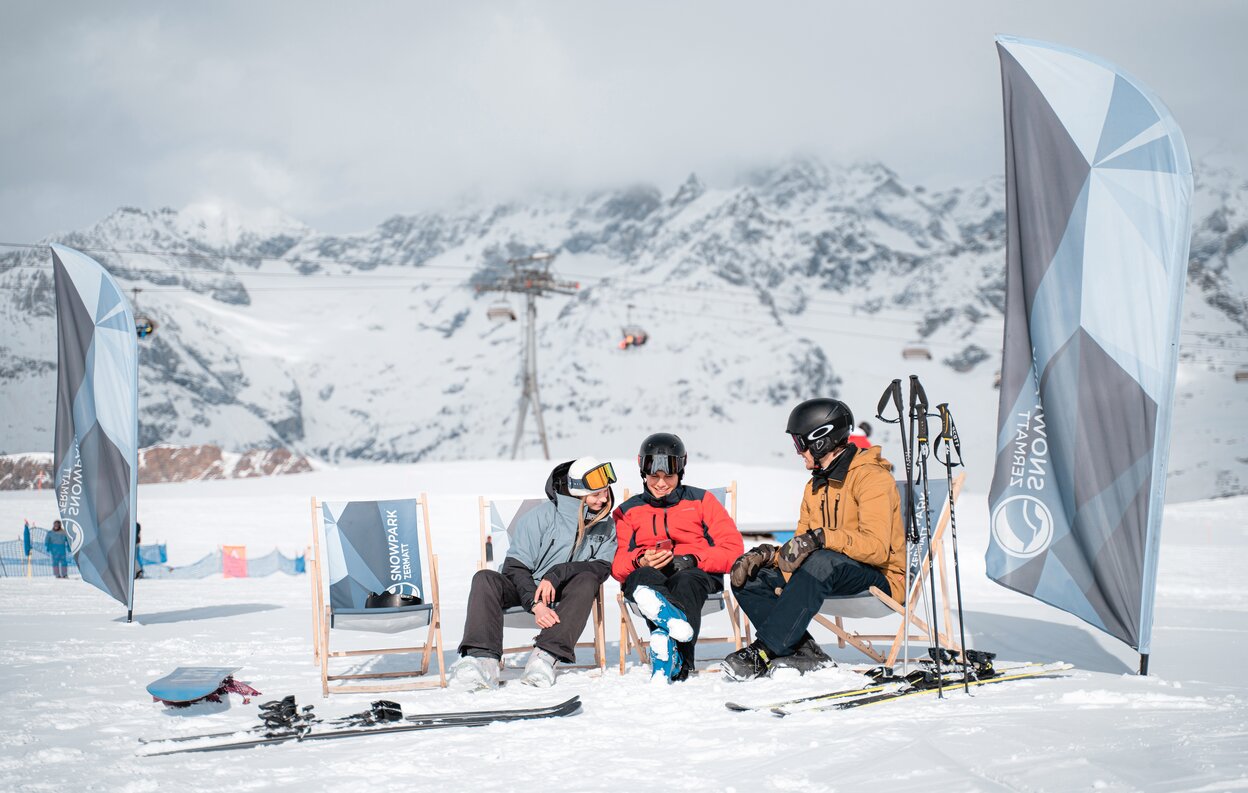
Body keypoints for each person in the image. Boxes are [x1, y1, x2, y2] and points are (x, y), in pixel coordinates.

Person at [723, 398, 905, 680]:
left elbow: (877, 549)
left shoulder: (872, 479)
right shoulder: (815, 485)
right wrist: (771, 556)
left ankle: (764, 651)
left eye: (800, 443)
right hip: (829, 571)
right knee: (747, 574)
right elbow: (801, 547)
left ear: (821, 440)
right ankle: (806, 654)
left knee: (821, 560)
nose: (798, 452)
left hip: (881, 578)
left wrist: (820, 539)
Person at [451, 457, 618, 690]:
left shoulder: (606, 527)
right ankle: (483, 660)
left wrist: (557, 573)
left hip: (566, 594)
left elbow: (601, 567)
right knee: (484, 578)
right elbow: (515, 567)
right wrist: (535, 604)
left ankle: (544, 657)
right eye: (596, 494)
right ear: (578, 494)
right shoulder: (541, 516)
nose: (603, 499)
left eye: (605, 492)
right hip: (525, 588)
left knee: (588, 579)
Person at [612, 433, 744, 682]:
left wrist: (693, 559)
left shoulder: (702, 501)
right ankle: (674, 635)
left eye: (668, 477)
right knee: (641, 578)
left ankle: (675, 653)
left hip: (696, 574)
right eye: (654, 477)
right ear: (643, 472)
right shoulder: (627, 511)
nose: (661, 484)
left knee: (684, 580)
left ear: (680, 472)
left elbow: (733, 549)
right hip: (650, 575)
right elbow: (618, 563)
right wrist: (641, 559)